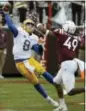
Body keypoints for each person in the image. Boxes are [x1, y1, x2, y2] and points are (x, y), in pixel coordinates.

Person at [1, 11, 61, 108]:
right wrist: (7, 14)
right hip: (20, 63)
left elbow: (37, 51)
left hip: (29, 60)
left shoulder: (34, 37)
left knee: (43, 72)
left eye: (32, 25)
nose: (30, 26)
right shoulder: (19, 32)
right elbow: (11, 26)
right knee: (35, 81)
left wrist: (40, 47)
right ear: (24, 25)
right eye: (28, 24)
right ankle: (49, 99)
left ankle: (57, 86)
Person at [37, 20, 85, 111]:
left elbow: (45, 31)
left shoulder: (62, 34)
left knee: (70, 91)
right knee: (56, 82)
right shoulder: (75, 38)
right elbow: (79, 44)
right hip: (69, 63)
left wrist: (37, 23)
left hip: (68, 65)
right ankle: (63, 106)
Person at [0, 13, 8, 79]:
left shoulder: (5, 32)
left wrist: (5, 48)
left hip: (3, 49)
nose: (1, 26)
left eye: (1, 24)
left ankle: (0, 74)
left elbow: (6, 41)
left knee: (2, 63)